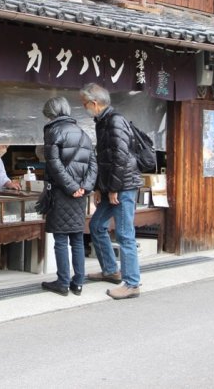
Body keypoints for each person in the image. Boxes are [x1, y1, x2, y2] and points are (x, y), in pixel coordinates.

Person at [80, 82, 143, 300]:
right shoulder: (103, 121)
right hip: (111, 186)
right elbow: (103, 159)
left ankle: (132, 283)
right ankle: (110, 270)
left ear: (94, 103)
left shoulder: (115, 121)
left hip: (123, 187)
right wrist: (99, 188)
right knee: (97, 225)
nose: (85, 108)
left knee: (125, 234)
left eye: (85, 104)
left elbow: (121, 158)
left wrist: (114, 188)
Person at [39, 96, 97, 296]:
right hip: (80, 194)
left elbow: (54, 165)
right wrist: (84, 188)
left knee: (61, 239)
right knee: (77, 239)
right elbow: (93, 165)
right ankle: (78, 283)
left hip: (62, 192)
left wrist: (71, 187)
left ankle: (63, 283)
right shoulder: (84, 134)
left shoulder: (53, 131)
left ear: (51, 114)